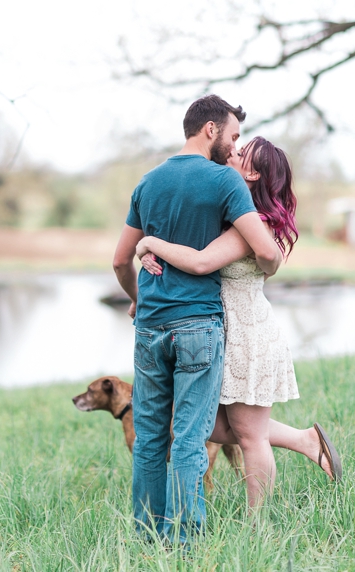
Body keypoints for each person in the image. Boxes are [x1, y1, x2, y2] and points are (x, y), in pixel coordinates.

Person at [135, 136, 341, 509]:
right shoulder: (237, 211)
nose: (233, 151)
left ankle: (256, 527)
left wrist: (149, 241)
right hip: (216, 325)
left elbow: (200, 262)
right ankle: (304, 440)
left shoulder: (255, 224)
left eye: (242, 153)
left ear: (254, 172)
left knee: (249, 436)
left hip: (245, 331)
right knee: (211, 424)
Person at [112, 94, 281, 542]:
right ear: (211, 130)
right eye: (234, 134)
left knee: (150, 438)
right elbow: (265, 250)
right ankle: (185, 544)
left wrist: (136, 298)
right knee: (189, 438)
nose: (234, 144)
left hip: (150, 327)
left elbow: (118, 260)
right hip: (198, 326)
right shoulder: (226, 182)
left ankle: (147, 537)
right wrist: (271, 265)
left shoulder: (147, 183)